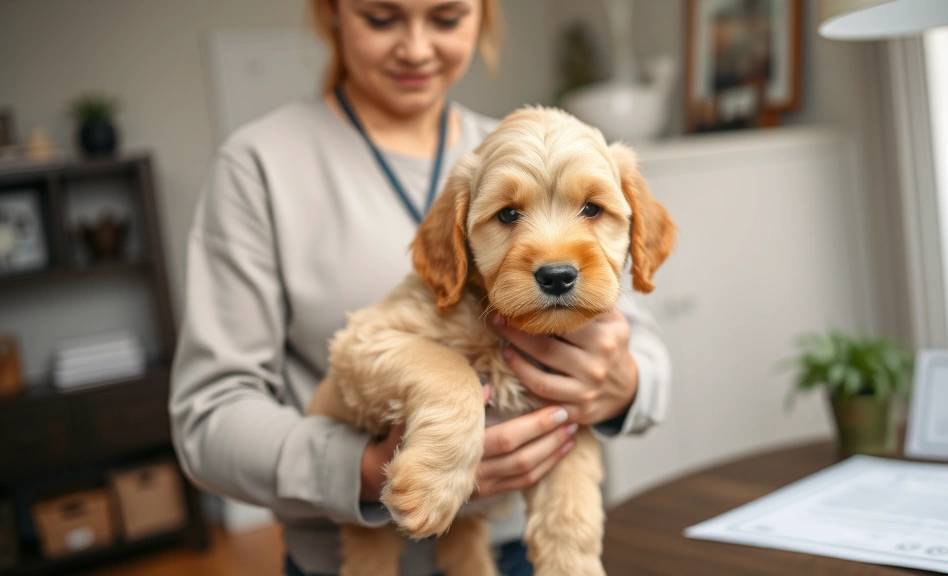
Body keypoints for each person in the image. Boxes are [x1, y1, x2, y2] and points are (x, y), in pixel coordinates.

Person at [169, 1, 671, 575]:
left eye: (446, 17)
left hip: (520, 551)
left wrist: (624, 385)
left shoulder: (533, 143)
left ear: (483, 14)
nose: (415, 47)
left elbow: (641, 344)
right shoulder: (257, 166)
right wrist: (365, 469)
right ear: (332, 13)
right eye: (382, 18)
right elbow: (208, 420)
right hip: (349, 553)